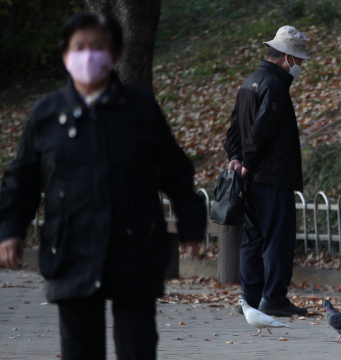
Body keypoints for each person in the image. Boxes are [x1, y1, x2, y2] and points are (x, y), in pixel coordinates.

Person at [0, 13, 207, 360]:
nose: (88, 55)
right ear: (65, 55)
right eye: (79, 47)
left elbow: (175, 169)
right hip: (71, 250)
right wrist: (9, 229)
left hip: (134, 246)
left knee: (137, 347)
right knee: (80, 350)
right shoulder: (47, 113)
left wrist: (191, 220)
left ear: (113, 54)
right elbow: (21, 178)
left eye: (98, 47)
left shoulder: (139, 108)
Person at [224, 25, 309, 317]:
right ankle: (273, 298)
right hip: (271, 176)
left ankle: (249, 299)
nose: (300, 66)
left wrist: (236, 160)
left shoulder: (250, 81)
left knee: (253, 239)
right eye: (299, 60)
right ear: (288, 57)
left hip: (251, 177)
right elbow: (261, 132)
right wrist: (246, 166)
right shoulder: (275, 86)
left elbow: (234, 129)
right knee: (277, 239)